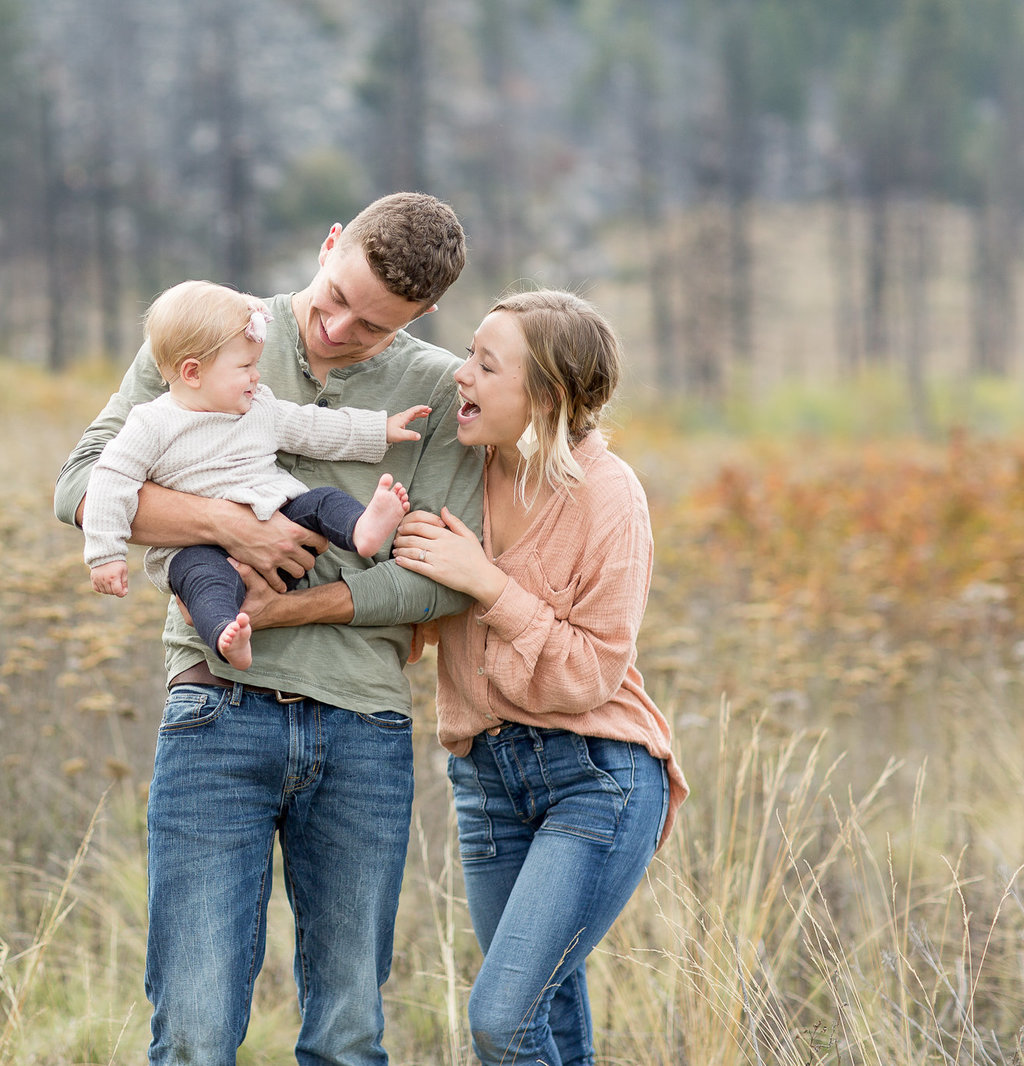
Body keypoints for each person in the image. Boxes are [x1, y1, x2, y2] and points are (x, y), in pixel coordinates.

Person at [54, 192, 482, 1065]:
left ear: (421, 316)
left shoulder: (438, 390)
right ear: (329, 243)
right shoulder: (206, 333)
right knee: (197, 1028)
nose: (332, 330)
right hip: (217, 709)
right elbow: (80, 489)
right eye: (331, 298)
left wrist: (283, 607)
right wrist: (232, 530)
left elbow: (439, 584)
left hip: (364, 723)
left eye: (367, 327)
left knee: (349, 1032)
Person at [391, 288, 689, 1065]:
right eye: (467, 355)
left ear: (547, 395)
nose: (461, 376)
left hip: (596, 776)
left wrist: (487, 584)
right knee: (545, 1015)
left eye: (486, 365)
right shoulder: (458, 468)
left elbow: (590, 671)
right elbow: (415, 615)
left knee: (502, 1018)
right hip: (485, 780)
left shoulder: (608, 495)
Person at [83, 279, 431, 671]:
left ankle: (362, 529)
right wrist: (105, 555)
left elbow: (313, 427)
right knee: (204, 583)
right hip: (196, 549)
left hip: (279, 517)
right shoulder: (152, 423)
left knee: (321, 501)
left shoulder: (259, 407)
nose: (256, 376)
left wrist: (379, 430)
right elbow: (110, 479)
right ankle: (227, 635)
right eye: (246, 367)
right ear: (193, 372)